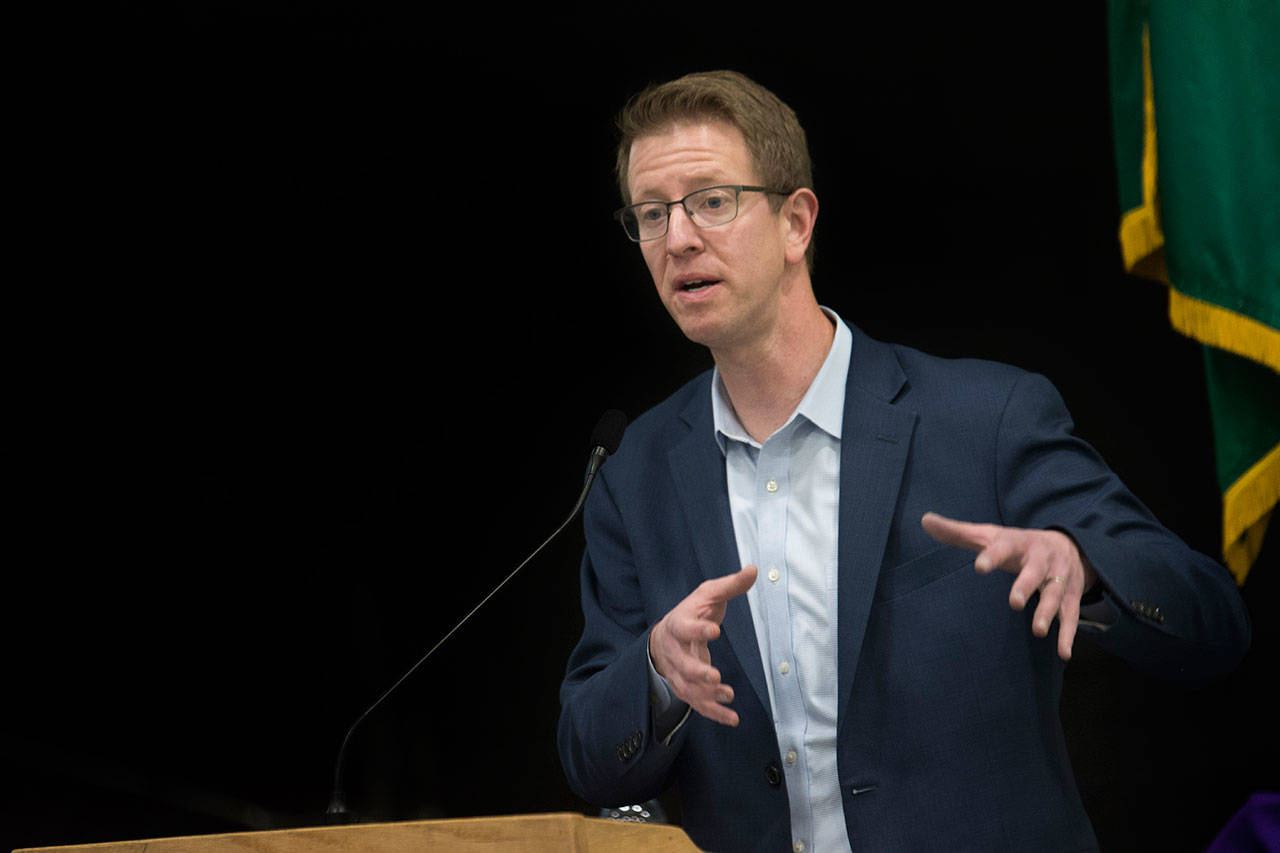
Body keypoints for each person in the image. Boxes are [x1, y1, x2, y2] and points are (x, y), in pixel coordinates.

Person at [556, 70, 1250, 852]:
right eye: (652, 214)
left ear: (797, 223)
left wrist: (1088, 569)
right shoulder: (635, 474)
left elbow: (1211, 622)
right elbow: (588, 756)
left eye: (712, 201)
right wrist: (654, 671)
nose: (678, 238)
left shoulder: (983, 419)